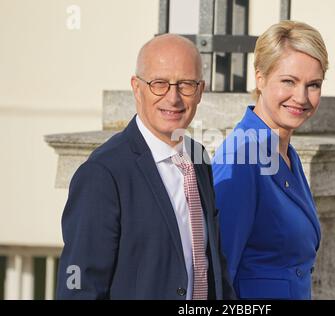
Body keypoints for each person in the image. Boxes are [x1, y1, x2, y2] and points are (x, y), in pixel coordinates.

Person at [56, 34, 235, 300]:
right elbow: (79, 286)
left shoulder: (198, 158)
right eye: (159, 84)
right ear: (137, 87)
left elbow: (211, 265)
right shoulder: (102, 174)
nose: (172, 98)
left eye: (185, 84)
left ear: (200, 90)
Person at [212, 21, 328, 300]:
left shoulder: (287, 153)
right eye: (288, 81)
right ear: (260, 78)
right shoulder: (240, 158)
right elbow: (218, 273)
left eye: (313, 85)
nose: (301, 97)